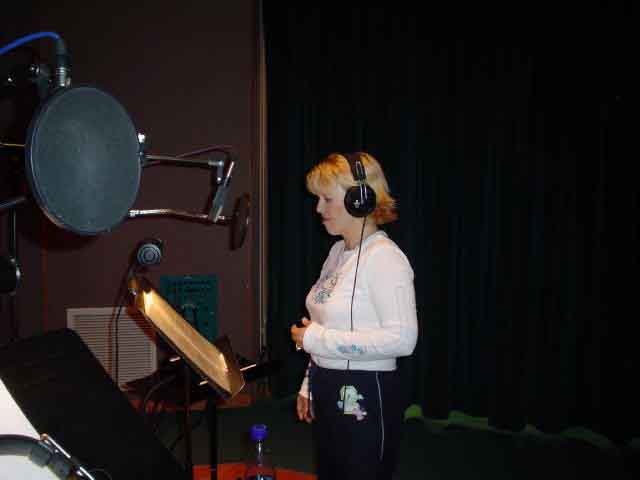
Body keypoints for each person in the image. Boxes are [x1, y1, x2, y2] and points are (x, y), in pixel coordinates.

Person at [290, 152, 418, 480]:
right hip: (327, 383)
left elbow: (403, 339)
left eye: (327, 199)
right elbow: (324, 323)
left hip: (366, 390)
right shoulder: (337, 252)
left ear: (359, 199)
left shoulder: (386, 259)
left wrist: (315, 339)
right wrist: (309, 382)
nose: (318, 208)